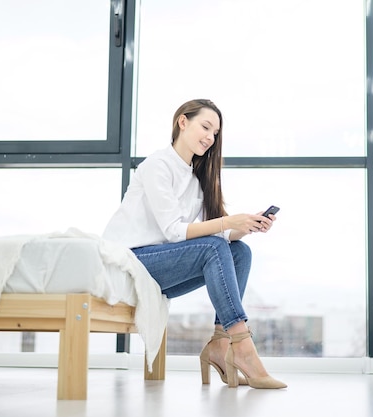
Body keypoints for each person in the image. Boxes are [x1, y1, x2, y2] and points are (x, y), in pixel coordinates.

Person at [103, 99, 287, 389]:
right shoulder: (157, 166)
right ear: (182, 122)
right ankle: (243, 347)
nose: (210, 137)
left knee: (240, 252)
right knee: (213, 247)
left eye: (215, 133)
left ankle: (219, 344)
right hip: (130, 262)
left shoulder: (195, 177)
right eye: (205, 127)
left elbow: (213, 234)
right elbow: (176, 232)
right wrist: (229, 222)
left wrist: (247, 226)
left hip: (160, 265)